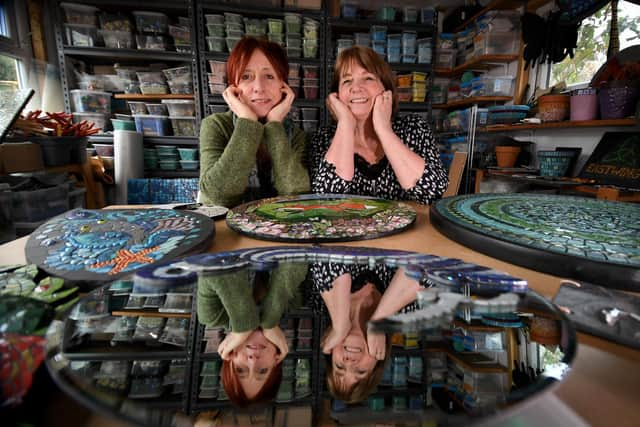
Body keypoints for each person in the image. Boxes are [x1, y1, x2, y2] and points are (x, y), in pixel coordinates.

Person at [310, 46, 448, 204]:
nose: (356, 88)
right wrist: (346, 124)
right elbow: (325, 201)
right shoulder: (324, 138)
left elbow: (433, 192)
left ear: (386, 89)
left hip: (410, 229)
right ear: (337, 95)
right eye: (347, 81)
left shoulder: (413, 128)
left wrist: (384, 130)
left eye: (368, 78)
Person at [199, 37, 310, 208]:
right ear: (233, 87)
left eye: (269, 76)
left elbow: (297, 195)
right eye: (246, 76)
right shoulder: (216, 125)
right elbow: (217, 197)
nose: (258, 87)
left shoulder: (295, 135)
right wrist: (247, 122)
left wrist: (274, 125)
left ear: (284, 85)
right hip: (228, 231)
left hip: (280, 230)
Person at [310, 262, 425, 403]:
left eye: (339, 367)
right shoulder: (406, 313)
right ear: (377, 360)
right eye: (360, 372)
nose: (349, 363)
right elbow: (429, 265)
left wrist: (340, 326)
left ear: (331, 351)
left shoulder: (319, 302)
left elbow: (329, 256)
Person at [197, 263, 307, 406]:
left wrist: (243, 325)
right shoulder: (292, 304)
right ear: (277, 360)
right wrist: (270, 319)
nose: (253, 360)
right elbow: (297, 255)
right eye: (262, 370)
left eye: (240, 369)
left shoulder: (212, 316)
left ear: (229, 357)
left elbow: (217, 263)